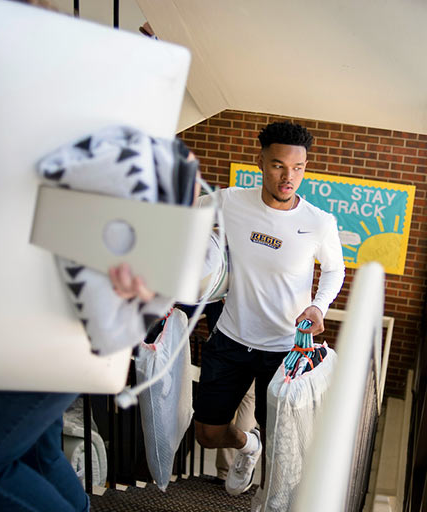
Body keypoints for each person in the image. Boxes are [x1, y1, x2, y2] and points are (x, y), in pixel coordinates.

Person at [115, 121, 346, 495]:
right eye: (278, 166)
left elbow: (335, 268)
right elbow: (185, 214)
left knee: (283, 449)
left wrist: (318, 307)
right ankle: (247, 445)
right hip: (231, 340)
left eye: (298, 168)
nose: (289, 177)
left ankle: (268, 500)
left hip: (285, 350)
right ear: (261, 162)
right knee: (208, 434)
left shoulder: (318, 223)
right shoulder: (231, 201)